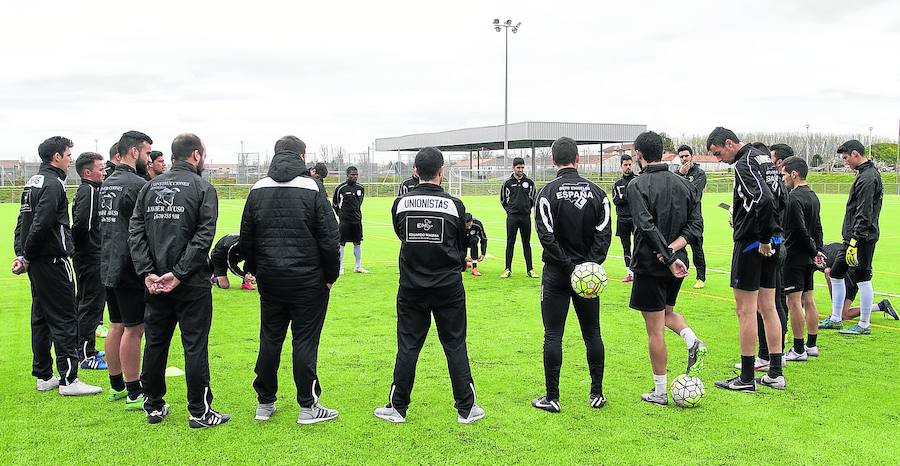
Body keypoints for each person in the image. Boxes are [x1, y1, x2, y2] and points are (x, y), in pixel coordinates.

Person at [374, 147, 484, 424]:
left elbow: (402, 234)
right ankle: (466, 408)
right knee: (455, 344)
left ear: (415, 171)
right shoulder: (454, 205)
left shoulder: (400, 203)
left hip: (411, 286)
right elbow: (461, 242)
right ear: (441, 171)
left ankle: (397, 407)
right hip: (448, 286)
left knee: (408, 346)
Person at [129, 133, 229, 428]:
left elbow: (135, 232)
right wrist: (180, 273)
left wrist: (148, 272)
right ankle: (199, 411)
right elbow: (204, 236)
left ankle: (154, 406)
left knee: (156, 343)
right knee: (194, 345)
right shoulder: (202, 187)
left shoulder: (149, 187)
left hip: (156, 282)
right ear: (196, 155)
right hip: (191, 282)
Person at [241, 135, 341, 424]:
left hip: (271, 279)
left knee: (270, 338)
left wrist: (257, 268)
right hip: (308, 280)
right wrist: (330, 276)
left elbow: (247, 237)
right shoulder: (312, 187)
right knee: (304, 341)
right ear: (301, 156)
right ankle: (308, 405)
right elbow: (329, 237)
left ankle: (265, 402)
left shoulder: (258, 188)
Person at [12, 136, 102, 396]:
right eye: (68, 154)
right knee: (65, 317)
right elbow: (41, 223)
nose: (70, 159)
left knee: (40, 318)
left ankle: (44, 376)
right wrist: (26, 256)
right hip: (52, 261)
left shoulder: (32, 183)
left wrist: (22, 254)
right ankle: (69, 380)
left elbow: (21, 223)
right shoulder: (53, 185)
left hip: (37, 264)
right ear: (57, 157)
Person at [531, 137, 611, 412]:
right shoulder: (598, 193)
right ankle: (596, 394)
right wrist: (587, 266)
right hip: (587, 276)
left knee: (553, 335)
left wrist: (568, 267)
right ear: (578, 159)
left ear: (553, 161)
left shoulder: (546, 193)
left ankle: (552, 397)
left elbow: (546, 237)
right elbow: (604, 234)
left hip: (556, 273)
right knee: (592, 333)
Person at [628, 132, 707, 406]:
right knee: (667, 314)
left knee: (654, 329)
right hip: (679, 264)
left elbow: (645, 225)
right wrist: (674, 251)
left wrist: (666, 254)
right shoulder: (684, 184)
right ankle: (692, 340)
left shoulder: (637, 185)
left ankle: (660, 391)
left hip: (652, 265)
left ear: (639, 155)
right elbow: (696, 227)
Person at [707, 127, 785, 392]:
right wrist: (773, 233)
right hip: (772, 240)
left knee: (746, 310)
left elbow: (762, 199)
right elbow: (780, 197)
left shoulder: (745, 162)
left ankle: (747, 377)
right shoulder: (766, 159)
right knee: (769, 307)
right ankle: (775, 373)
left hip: (754, 244)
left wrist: (762, 237)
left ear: (729, 143)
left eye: (718, 153)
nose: (719, 159)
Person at [100, 130, 153, 410]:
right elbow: (142, 229)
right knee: (134, 329)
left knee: (117, 325)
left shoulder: (107, 183)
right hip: (129, 265)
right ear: (134, 152)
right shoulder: (136, 184)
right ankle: (134, 392)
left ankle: (117, 386)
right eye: (146, 153)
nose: (148, 158)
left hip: (108, 261)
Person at [819, 140, 884, 335]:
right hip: (852, 237)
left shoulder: (868, 177)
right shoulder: (865, 175)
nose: (845, 162)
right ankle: (836, 318)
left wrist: (855, 240)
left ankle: (864, 324)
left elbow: (864, 211)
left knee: (863, 277)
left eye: (846, 158)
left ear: (855, 154)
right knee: (836, 273)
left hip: (861, 238)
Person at [779, 156, 824, 362]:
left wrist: (814, 251)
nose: (783, 178)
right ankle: (811, 345)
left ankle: (798, 349)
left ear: (794, 174)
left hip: (795, 255)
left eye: (784, 174)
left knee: (793, 302)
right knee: (808, 299)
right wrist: (817, 251)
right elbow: (817, 228)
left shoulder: (794, 198)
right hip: (808, 255)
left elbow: (799, 230)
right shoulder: (813, 196)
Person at [71, 151, 108, 370]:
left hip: (89, 255)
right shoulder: (89, 191)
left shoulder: (92, 190)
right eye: (100, 168)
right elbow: (82, 224)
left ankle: (82, 348)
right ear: (87, 172)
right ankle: (86, 354)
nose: (103, 171)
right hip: (91, 257)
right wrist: (86, 250)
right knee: (90, 305)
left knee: (86, 302)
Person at [819, 242, 896, 321]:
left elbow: (833, 278)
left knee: (844, 315)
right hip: (858, 269)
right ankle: (881, 306)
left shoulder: (822, 259)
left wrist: (835, 310)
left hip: (851, 277)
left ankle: (872, 314)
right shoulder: (827, 248)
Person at [675, 145, 708, 289]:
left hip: (694, 218)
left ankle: (701, 278)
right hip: (678, 218)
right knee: (676, 247)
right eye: (681, 157)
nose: (684, 159)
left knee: (697, 249)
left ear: (692, 156)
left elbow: (693, 193)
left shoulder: (700, 174)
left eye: (686, 156)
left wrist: (682, 177)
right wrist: (680, 174)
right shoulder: (676, 174)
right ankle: (676, 273)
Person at [499, 157, 537, 278]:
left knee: (527, 243)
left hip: (525, 217)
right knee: (510, 243)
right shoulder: (507, 183)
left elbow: (533, 198)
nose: (520, 170)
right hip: (512, 218)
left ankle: (530, 269)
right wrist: (510, 211)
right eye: (518, 167)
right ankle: (507, 269)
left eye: (522, 167)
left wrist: (527, 209)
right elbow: (503, 200)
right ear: (513, 168)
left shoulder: (529, 183)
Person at [333, 166, 368, 274]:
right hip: (344, 221)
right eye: (352, 174)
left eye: (356, 174)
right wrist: (341, 215)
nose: (355, 176)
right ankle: (341, 267)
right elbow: (335, 204)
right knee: (341, 243)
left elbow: (359, 203)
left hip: (357, 220)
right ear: (347, 175)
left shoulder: (361, 188)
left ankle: (358, 266)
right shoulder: (340, 188)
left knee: (357, 243)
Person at [611, 154, 637, 283]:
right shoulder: (617, 184)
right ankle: (630, 273)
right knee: (626, 247)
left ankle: (639, 272)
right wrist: (627, 198)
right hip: (622, 220)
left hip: (636, 219)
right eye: (625, 165)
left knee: (639, 246)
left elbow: (639, 199)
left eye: (629, 164)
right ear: (621, 166)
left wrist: (624, 198)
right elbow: (616, 200)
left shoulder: (637, 180)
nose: (628, 167)